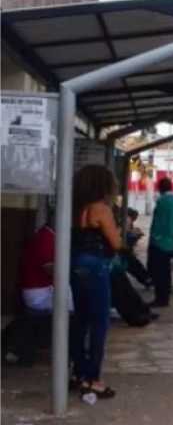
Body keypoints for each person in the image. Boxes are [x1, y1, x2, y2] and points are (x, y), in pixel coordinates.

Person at [70, 165, 121, 399]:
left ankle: (78, 373)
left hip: (75, 264)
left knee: (80, 321)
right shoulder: (101, 209)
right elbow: (116, 243)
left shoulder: (74, 207)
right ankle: (94, 379)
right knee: (100, 323)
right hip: (95, 266)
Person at [2, 217, 74, 366]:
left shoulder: (48, 235)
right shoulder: (46, 238)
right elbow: (51, 269)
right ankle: (65, 353)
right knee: (72, 309)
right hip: (38, 292)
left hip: (42, 288)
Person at [147, 177, 173, 307]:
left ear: (160, 188)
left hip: (160, 242)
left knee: (159, 273)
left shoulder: (162, 201)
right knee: (166, 272)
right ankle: (164, 298)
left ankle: (160, 298)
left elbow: (158, 223)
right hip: (172, 242)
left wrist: (154, 238)